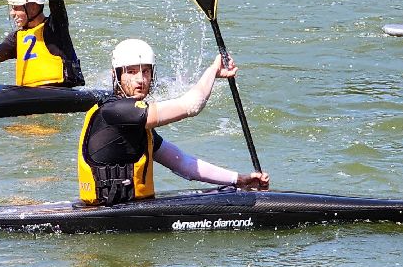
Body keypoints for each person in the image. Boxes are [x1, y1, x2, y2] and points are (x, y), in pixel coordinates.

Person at [76, 39, 269, 205]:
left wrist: (238, 180)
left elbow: (183, 164)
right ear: (116, 76)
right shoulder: (116, 111)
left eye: (145, 72)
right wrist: (213, 71)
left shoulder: (136, 127)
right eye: (131, 72)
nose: (140, 80)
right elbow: (191, 106)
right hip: (107, 213)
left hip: (130, 208)